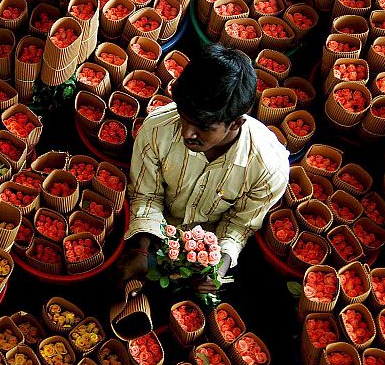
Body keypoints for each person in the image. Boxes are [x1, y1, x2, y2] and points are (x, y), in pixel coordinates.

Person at [121, 44, 290, 293]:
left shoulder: (268, 168)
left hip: (209, 250)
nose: (187, 133)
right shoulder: (157, 130)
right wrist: (142, 250)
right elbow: (147, 196)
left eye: (203, 127)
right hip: (156, 231)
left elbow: (239, 224)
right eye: (183, 116)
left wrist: (217, 269)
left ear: (236, 123)